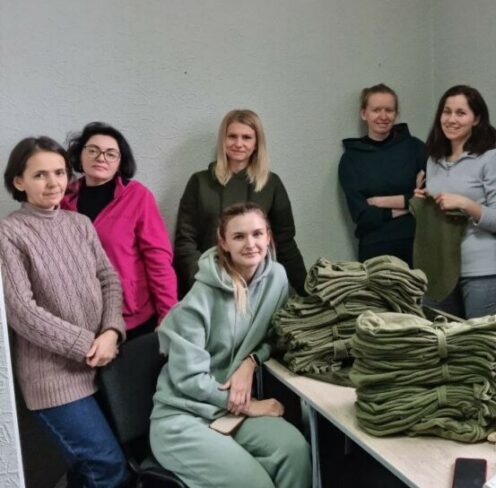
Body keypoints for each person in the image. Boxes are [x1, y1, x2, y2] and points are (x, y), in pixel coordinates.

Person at [150, 202, 311, 488]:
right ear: (223, 242)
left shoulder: (276, 278)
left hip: (228, 412)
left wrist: (251, 362)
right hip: (183, 417)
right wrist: (250, 406)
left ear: (268, 237)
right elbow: (188, 380)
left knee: (295, 451)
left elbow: (277, 335)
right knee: (256, 484)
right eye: (239, 236)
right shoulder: (198, 300)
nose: (250, 244)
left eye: (257, 234)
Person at [0, 136, 128, 486]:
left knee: (88, 470)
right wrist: (89, 344)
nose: (53, 182)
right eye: (40, 175)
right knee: (107, 466)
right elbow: (22, 312)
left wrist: (111, 332)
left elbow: (109, 280)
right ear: (19, 181)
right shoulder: (9, 233)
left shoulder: (80, 224)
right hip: (53, 377)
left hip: (103, 366)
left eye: (59, 172)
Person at [62, 122, 177, 339]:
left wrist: (169, 315)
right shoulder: (64, 198)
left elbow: (158, 260)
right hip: (80, 318)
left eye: (110, 153)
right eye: (93, 150)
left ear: (120, 161)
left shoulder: (138, 196)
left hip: (132, 317)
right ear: (80, 154)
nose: (101, 158)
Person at [174, 109, 307, 297]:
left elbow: (285, 243)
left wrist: (306, 291)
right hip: (208, 285)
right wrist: (204, 280)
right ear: (223, 140)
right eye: (232, 136)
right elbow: (185, 241)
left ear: (256, 144)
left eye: (246, 137)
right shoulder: (199, 182)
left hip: (257, 288)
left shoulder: (271, 184)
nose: (238, 144)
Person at [415, 85, 496, 318]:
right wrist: (424, 202)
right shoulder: (434, 160)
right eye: (447, 112)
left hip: (480, 273)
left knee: (480, 340)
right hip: (438, 271)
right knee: (438, 337)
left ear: (476, 119)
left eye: (461, 113)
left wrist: (466, 204)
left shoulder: (492, 158)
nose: (451, 119)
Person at [339, 83, 426, 266]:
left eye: (389, 110)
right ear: (364, 114)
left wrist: (379, 201)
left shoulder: (415, 149)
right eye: (376, 110)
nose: (383, 116)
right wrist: (409, 203)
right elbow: (362, 216)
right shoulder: (351, 159)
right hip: (375, 251)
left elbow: (428, 201)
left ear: (396, 114)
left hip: (418, 246)